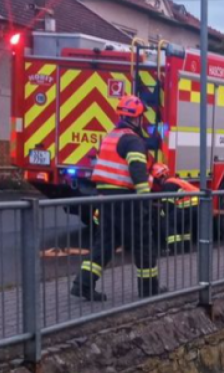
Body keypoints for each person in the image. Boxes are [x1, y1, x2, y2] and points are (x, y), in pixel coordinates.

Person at [73, 95, 161, 300]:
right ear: (137, 118)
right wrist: (145, 200)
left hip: (106, 197)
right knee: (143, 242)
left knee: (105, 242)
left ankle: (82, 284)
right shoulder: (132, 140)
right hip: (126, 200)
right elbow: (137, 171)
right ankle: (149, 290)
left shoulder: (111, 136)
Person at [150, 163, 198, 254]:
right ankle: (186, 249)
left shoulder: (168, 185)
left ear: (161, 176)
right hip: (196, 207)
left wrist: (160, 214)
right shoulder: (175, 181)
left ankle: (176, 250)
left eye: (156, 179)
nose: (156, 182)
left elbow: (168, 207)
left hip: (188, 207)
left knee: (166, 222)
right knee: (184, 224)